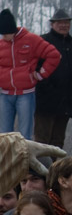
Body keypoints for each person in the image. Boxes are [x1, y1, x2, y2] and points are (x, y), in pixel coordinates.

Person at [0, 8, 60, 140]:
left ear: (13, 30)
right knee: (4, 135)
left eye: (6, 34)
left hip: (26, 94)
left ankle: (24, 159)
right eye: (2, 34)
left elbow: (54, 55)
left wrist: (40, 74)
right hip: (5, 95)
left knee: (25, 134)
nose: (4, 37)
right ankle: (7, 160)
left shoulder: (31, 40)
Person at [34, 8, 72, 147]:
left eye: (66, 22)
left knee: (58, 142)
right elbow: (35, 69)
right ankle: (40, 169)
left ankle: (55, 169)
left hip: (65, 103)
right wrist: (47, 88)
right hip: (45, 102)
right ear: (52, 24)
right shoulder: (43, 41)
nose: (64, 25)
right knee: (42, 142)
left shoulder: (70, 43)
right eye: (60, 22)